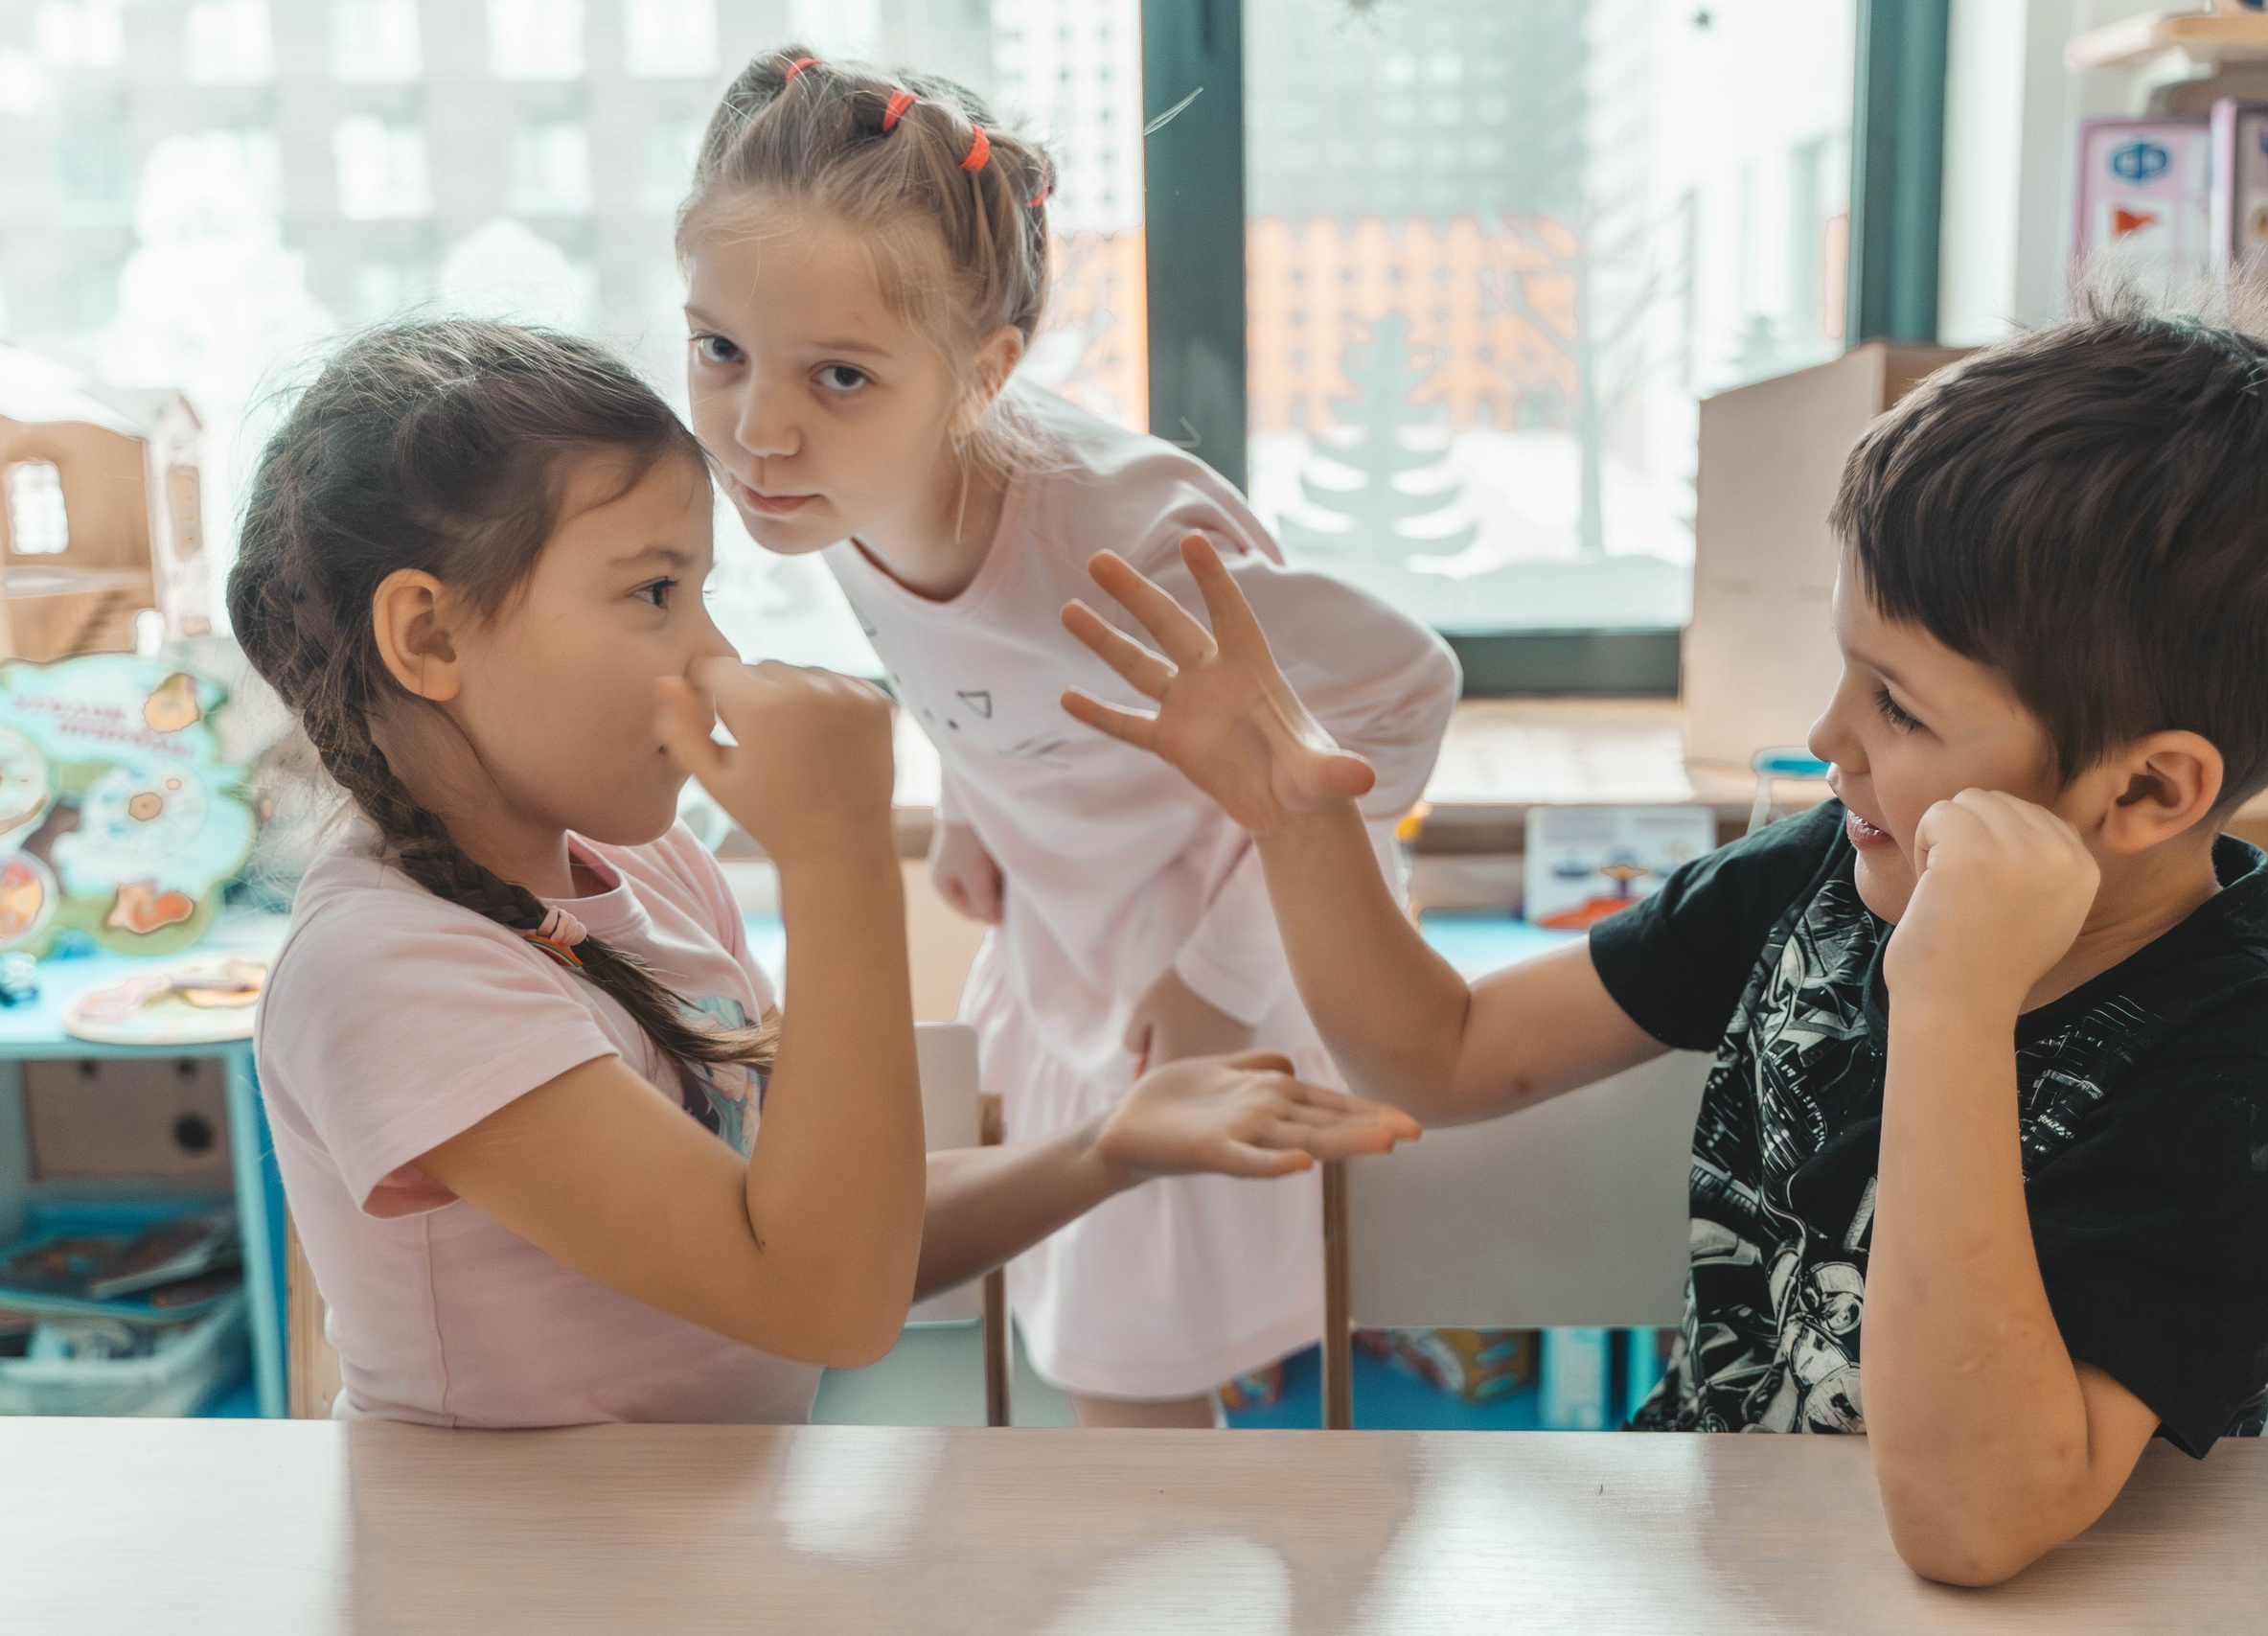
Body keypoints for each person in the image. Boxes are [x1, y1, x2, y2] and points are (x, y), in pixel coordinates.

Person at [1062, 287, 2268, 1579]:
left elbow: (1970, 1527)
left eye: (1902, 709)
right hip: (1724, 1558)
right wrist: (1296, 820)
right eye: (1846, 668)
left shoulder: (2251, 1074)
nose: (1828, 741)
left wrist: (1953, 1001)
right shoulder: (1825, 870)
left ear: (2147, 789)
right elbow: (1444, 1052)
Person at [236, 320, 1417, 1428]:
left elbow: (834, 1231)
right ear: (429, 638)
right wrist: (837, 854)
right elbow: (823, 1299)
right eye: (654, 593)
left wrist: (1110, 1146)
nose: (715, 655)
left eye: (702, 592)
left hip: (695, 1549)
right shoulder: (386, 974)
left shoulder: (651, 875)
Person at [676, 52, 1459, 1425]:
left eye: (839, 374)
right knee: (1084, 1337)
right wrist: (979, 805)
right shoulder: (836, 490)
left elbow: (1406, 685)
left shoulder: (1130, 541)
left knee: (1128, 1374)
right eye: (720, 349)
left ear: (984, 373)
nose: (758, 429)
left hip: (1228, 951)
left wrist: (1218, 978)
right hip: (1071, 935)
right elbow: (966, 661)